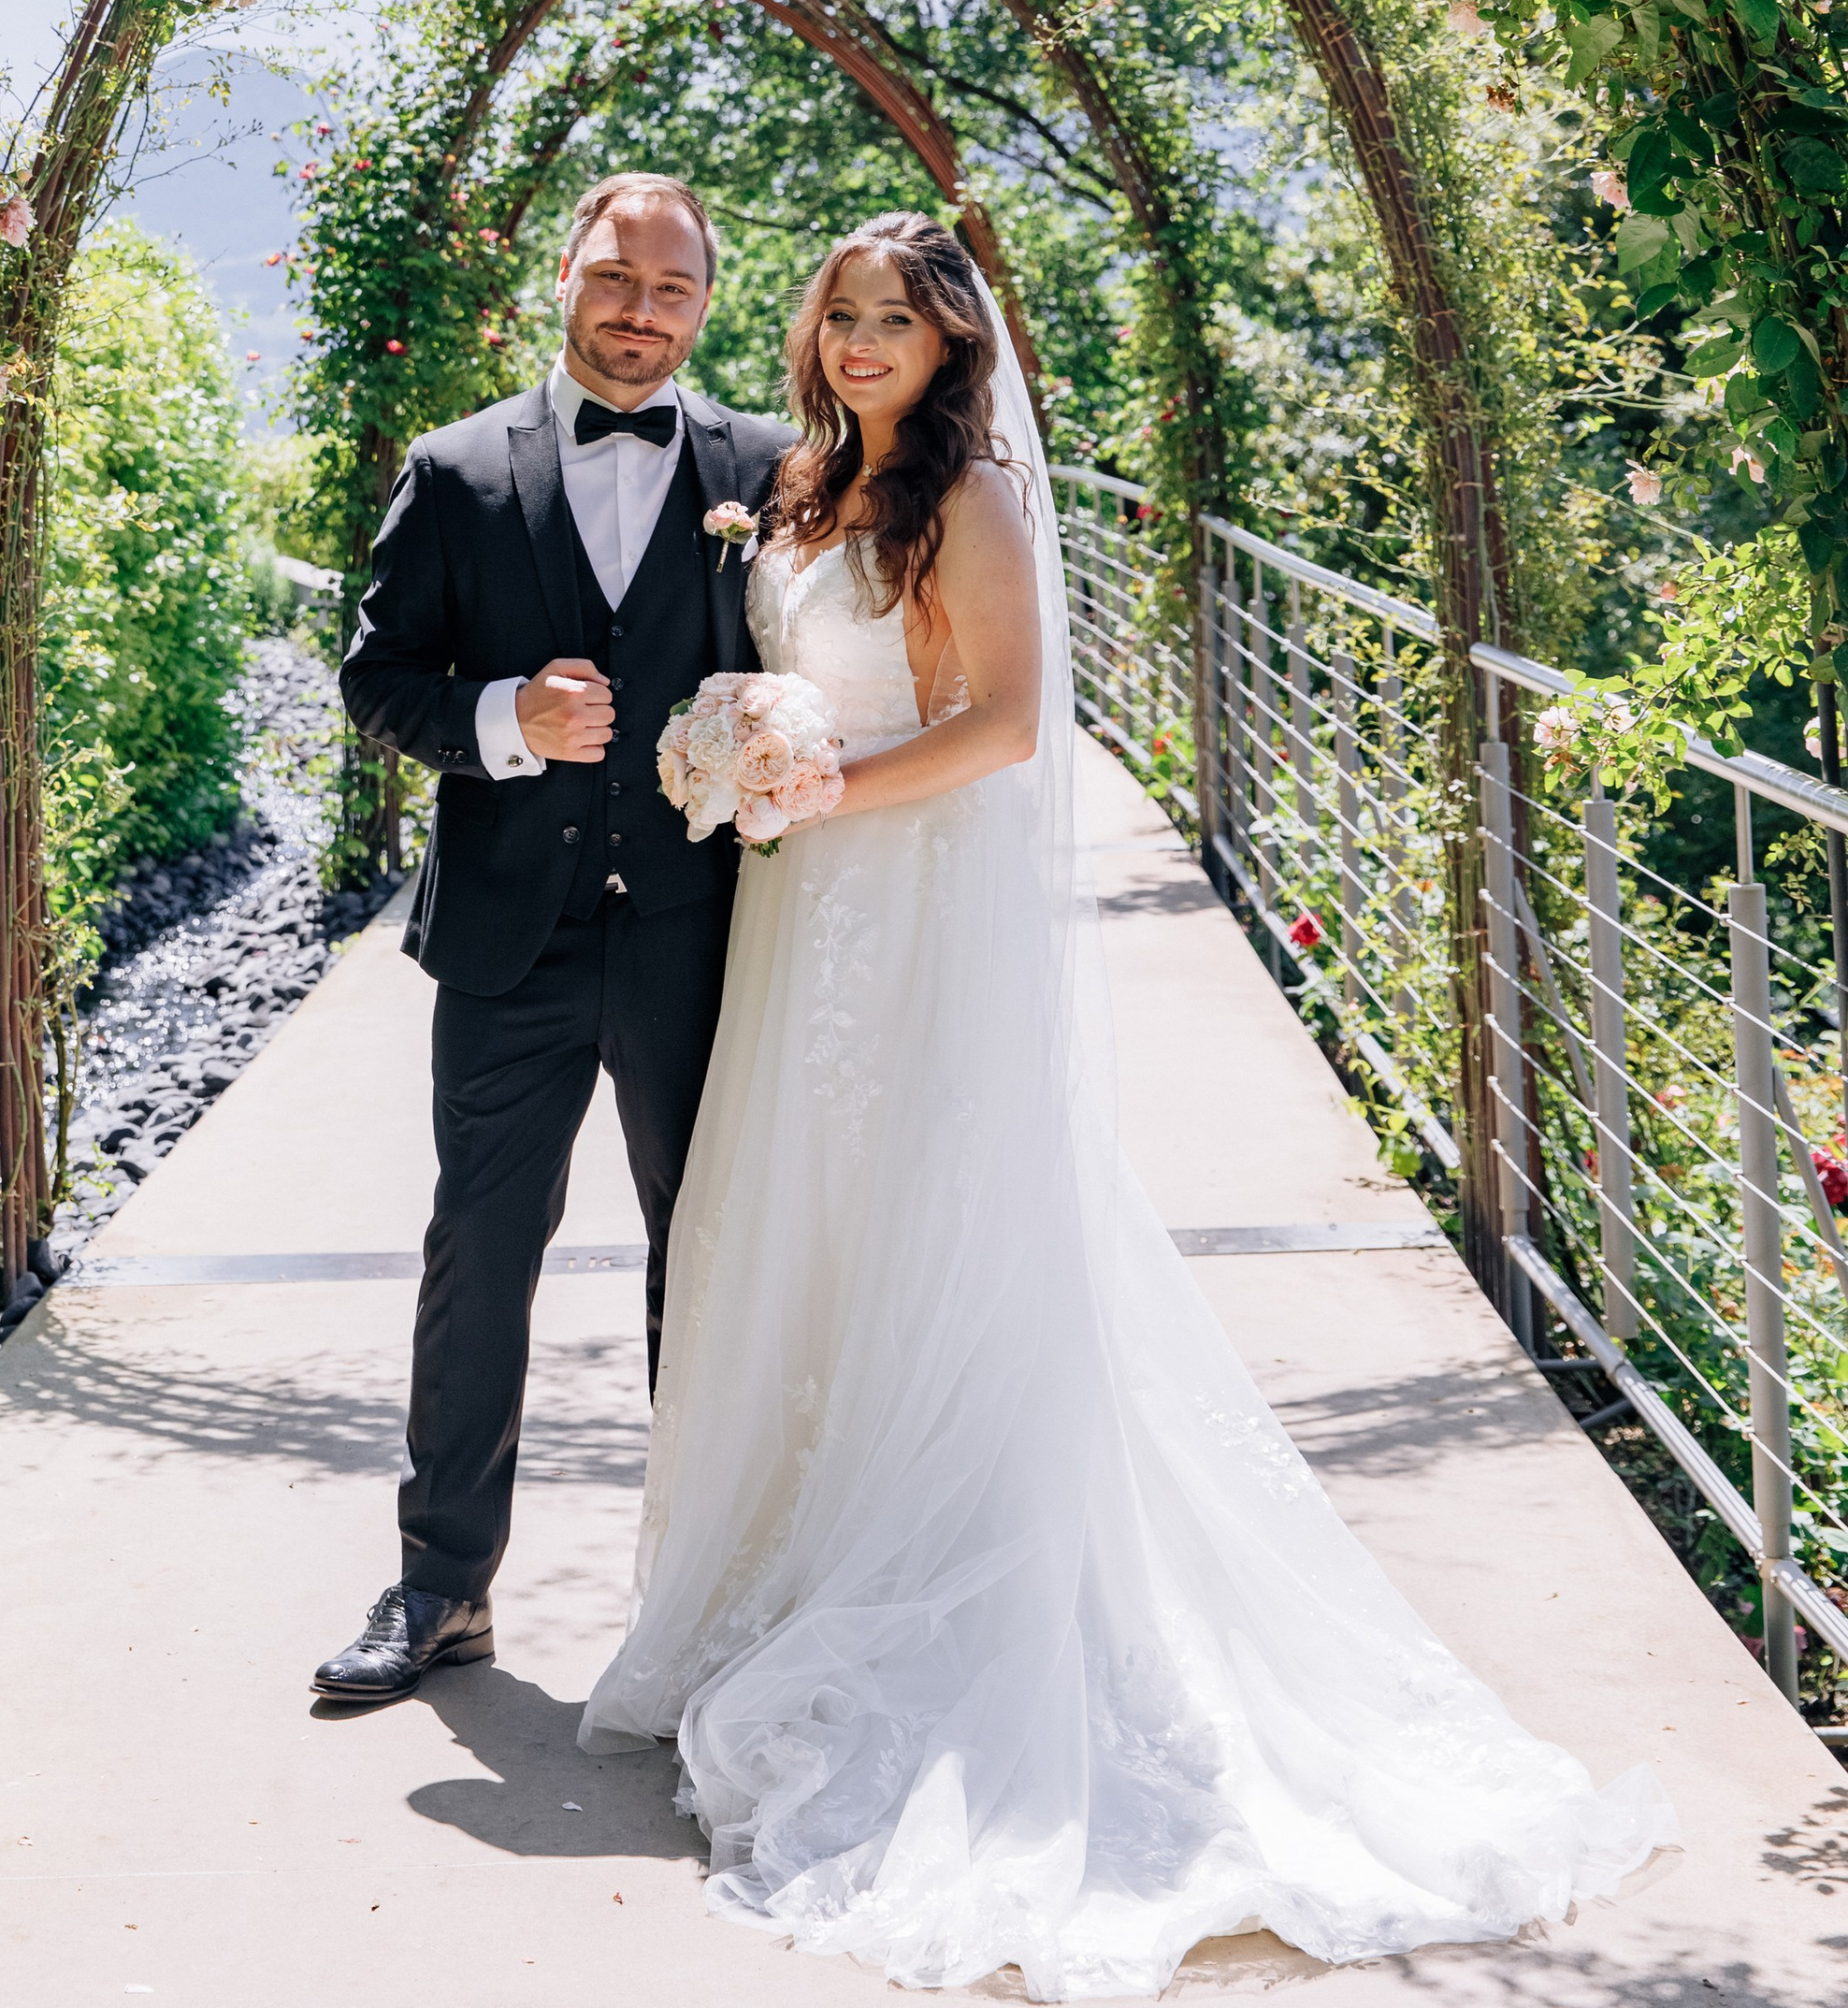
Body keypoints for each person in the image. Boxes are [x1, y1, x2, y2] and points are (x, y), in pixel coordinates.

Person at [583, 209, 1674, 1998]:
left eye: (895, 324)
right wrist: (738, 739)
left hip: (908, 913)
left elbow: (1005, 724)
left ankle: (946, 1589)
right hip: (806, 926)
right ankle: (788, 1564)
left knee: (926, 1237)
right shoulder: (797, 484)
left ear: (953, 346)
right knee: (805, 1238)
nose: (860, 344)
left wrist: (811, 777)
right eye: (838, 315)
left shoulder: (971, 497)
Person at [315, 172, 791, 1710]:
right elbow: (377, 677)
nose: (640, 312)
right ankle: (442, 1588)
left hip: (704, 944)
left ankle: (707, 1598)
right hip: (507, 946)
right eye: (616, 277)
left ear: (705, 305)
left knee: (704, 1261)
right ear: (566, 277)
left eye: (673, 289)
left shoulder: (767, 470)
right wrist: (497, 721)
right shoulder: (455, 470)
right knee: (479, 1255)